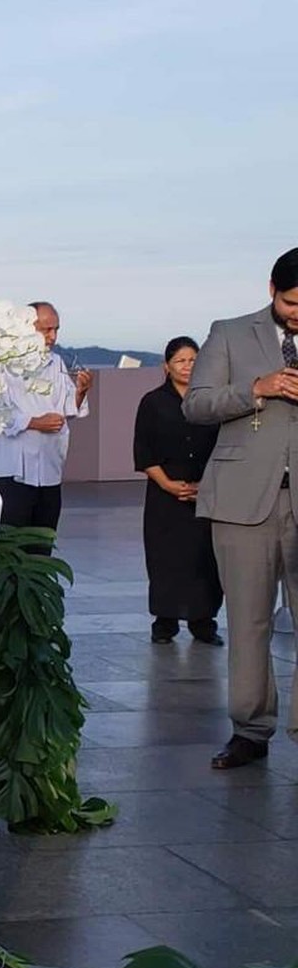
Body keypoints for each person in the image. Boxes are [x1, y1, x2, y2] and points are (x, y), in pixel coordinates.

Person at [183, 247, 298, 771]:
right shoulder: (229, 333)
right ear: (272, 289)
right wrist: (256, 389)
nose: (297, 314)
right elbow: (197, 404)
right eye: (291, 303)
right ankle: (251, 729)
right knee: (249, 621)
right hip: (241, 499)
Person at [133, 337, 223, 645]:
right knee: (165, 559)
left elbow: (224, 447)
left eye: (193, 360)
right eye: (180, 361)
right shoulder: (153, 402)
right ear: (166, 366)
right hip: (164, 493)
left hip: (206, 491)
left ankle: (204, 622)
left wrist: (207, 485)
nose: (187, 366)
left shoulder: (212, 400)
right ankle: (165, 622)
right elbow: (143, 451)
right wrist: (168, 484)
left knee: (205, 558)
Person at [0, 301, 91, 544]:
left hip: (49, 470)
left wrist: (81, 391)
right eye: (46, 330)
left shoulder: (56, 362)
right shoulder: (0, 362)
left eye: (56, 330)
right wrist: (32, 422)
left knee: (42, 546)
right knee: (12, 547)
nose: (53, 337)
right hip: (12, 471)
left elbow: (67, 408)